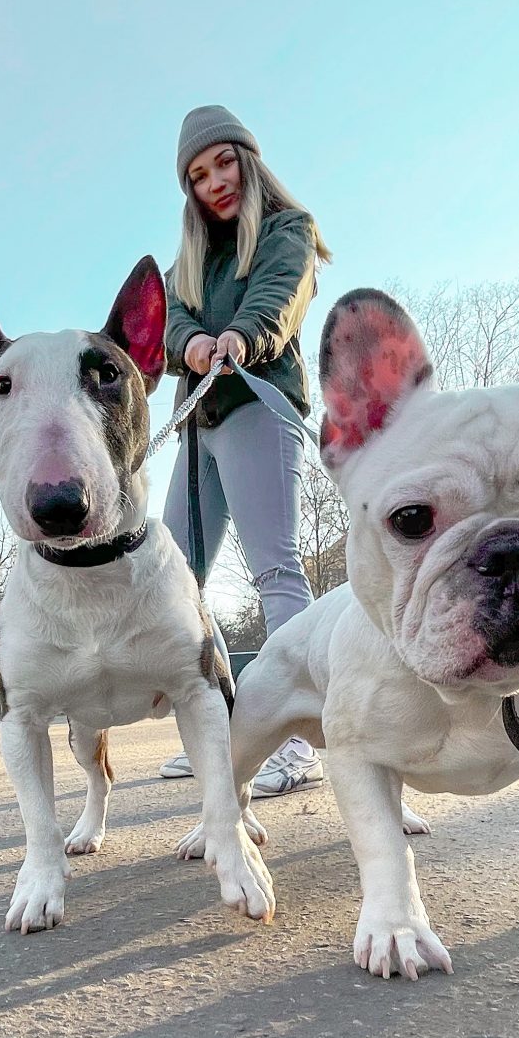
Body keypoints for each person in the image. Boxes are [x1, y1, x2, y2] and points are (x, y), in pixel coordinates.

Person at [158, 105, 331, 797]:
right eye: (198, 175)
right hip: (199, 425)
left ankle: (298, 739)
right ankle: (221, 735)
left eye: (223, 162)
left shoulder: (288, 230)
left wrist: (237, 338)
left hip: (258, 406)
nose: (215, 182)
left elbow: (277, 297)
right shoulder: (191, 261)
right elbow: (169, 317)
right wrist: (189, 343)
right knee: (174, 583)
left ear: (248, 160)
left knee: (276, 571)